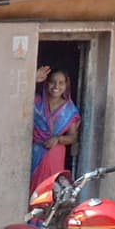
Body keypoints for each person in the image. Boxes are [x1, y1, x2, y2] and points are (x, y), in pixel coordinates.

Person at [30, 64, 81, 193]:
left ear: (66, 85)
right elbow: (18, 99)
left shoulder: (69, 110)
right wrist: (33, 79)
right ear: (46, 83)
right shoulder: (35, 101)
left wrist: (58, 139)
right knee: (31, 192)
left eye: (61, 83)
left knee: (50, 194)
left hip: (54, 157)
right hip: (33, 155)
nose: (56, 87)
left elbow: (73, 137)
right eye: (52, 82)